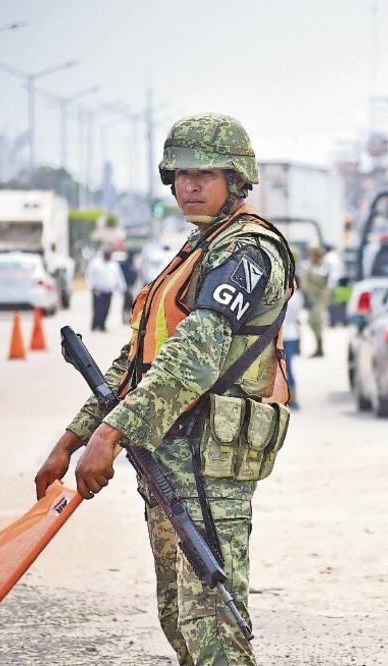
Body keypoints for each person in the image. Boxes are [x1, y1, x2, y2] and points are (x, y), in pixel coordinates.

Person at [34, 113, 294, 666]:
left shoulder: (246, 253)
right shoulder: (198, 250)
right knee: (179, 618)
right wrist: (75, 435)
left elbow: (194, 356)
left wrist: (112, 433)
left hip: (208, 465)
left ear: (237, 179)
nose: (189, 186)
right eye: (179, 174)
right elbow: (139, 359)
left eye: (205, 174)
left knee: (214, 628)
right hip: (168, 457)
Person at [85, 247, 126, 331]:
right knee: (98, 309)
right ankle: (95, 326)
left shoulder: (114, 264)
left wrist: (122, 288)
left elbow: (119, 277)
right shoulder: (95, 263)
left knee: (106, 309)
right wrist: (92, 287)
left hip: (109, 291)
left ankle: (102, 325)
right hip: (98, 291)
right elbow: (89, 275)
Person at [301, 244, 330, 357]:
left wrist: (310, 270)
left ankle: (320, 348)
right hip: (311, 299)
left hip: (319, 300)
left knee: (316, 322)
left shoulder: (321, 268)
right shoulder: (311, 267)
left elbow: (319, 279)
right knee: (312, 322)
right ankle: (318, 347)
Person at [282, 280, 305, 410]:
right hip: (292, 334)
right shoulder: (299, 296)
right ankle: (292, 397)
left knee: (285, 368)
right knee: (288, 367)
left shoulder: (291, 296)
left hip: (284, 335)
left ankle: (290, 397)